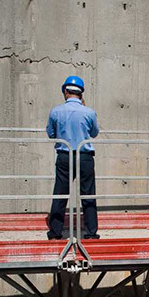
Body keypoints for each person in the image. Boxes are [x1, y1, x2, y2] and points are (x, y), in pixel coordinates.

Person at [46, 75, 101, 240]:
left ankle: (55, 232)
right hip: (84, 156)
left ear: (65, 91)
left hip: (64, 155)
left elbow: (51, 134)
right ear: (81, 94)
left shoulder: (56, 111)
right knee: (88, 194)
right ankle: (91, 233)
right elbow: (94, 133)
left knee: (61, 194)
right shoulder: (89, 112)